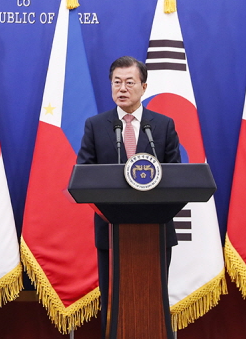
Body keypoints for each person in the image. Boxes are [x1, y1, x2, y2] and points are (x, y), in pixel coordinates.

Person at [76, 56, 181, 338]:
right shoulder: (96, 125)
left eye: (129, 82)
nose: (122, 88)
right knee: (113, 302)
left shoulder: (162, 125)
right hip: (111, 229)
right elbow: (83, 174)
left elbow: (178, 177)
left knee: (153, 297)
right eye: (116, 82)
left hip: (156, 230)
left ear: (144, 87)